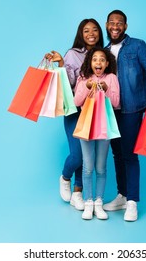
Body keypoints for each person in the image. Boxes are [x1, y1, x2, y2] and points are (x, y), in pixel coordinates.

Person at [103, 10, 146, 221]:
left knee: (130, 154)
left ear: (125, 26)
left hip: (132, 108)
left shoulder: (137, 45)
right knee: (117, 154)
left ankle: (132, 201)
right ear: (106, 25)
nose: (115, 26)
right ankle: (122, 195)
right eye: (112, 22)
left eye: (119, 23)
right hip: (109, 109)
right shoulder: (103, 51)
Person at [44, 19, 104, 211]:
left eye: (95, 30)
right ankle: (65, 177)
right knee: (77, 155)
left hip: (96, 111)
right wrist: (61, 62)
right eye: (86, 31)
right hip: (75, 110)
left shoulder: (103, 54)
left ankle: (78, 192)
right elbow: (68, 82)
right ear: (81, 33)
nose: (91, 34)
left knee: (88, 156)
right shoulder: (73, 53)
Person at [74, 47, 120, 220]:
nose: (98, 62)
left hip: (104, 127)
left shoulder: (112, 78)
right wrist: (86, 86)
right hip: (86, 126)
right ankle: (88, 202)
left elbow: (116, 103)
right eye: (95, 59)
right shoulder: (83, 78)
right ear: (90, 62)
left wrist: (107, 89)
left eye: (102, 59)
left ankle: (98, 203)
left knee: (100, 167)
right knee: (88, 167)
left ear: (107, 63)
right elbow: (76, 101)